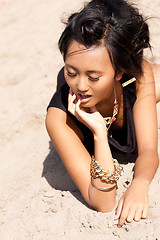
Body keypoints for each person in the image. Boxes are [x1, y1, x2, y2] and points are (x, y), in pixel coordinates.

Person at [46, 0, 160, 227]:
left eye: (93, 77)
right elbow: (103, 202)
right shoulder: (59, 120)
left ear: (118, 72)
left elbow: (148, 150)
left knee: (153, 78)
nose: (80, 86)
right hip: (101, 110)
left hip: (124, 89)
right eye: (71, 71)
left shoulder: (135, 76)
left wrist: (140, 183)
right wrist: (98, 132)